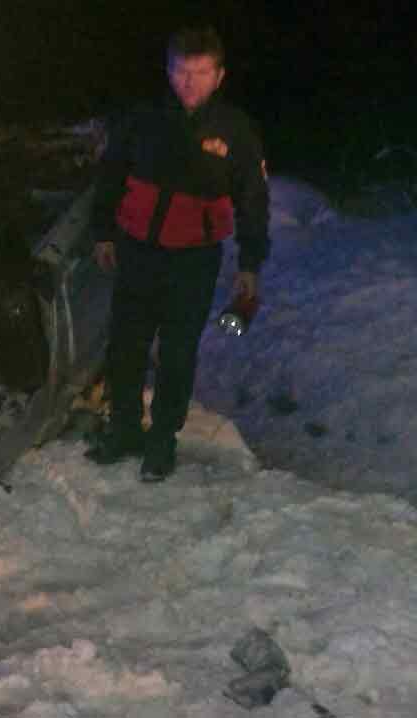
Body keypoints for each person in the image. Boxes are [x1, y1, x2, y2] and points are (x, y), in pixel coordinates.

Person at [86, 26, 270, 482]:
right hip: (137, 250)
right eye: (180, 71)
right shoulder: (142, 117)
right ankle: (124, 429)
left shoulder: (234, 130)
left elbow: (252, 200)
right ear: (168, 71)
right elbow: (111, 174)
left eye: (200, 72)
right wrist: (103, 232)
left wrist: (250, 263)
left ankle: (162, 441)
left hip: (194, 260)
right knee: (125, 345)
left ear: (219, 76)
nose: (189, 82)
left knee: (177, 353)